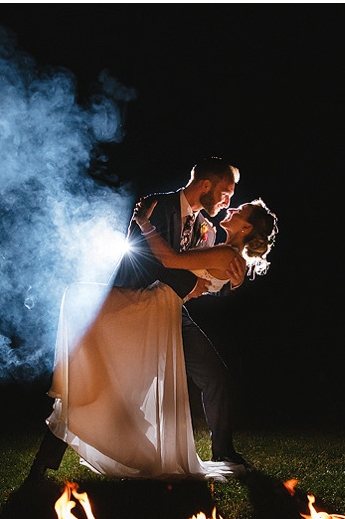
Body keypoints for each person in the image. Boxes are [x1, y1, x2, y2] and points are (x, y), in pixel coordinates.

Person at [25, 158, 271, 482]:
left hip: (171, 313)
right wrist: (190, 282)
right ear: (206, 185)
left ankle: (219, 450)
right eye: (225, 192)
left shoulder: (206, 229)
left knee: (213, 374)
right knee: (94, 386)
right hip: (132, 307)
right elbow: (149, 259)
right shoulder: (157, 206)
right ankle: (45, 464)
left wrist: (228, 283)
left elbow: (207, 274)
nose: (228, 201)